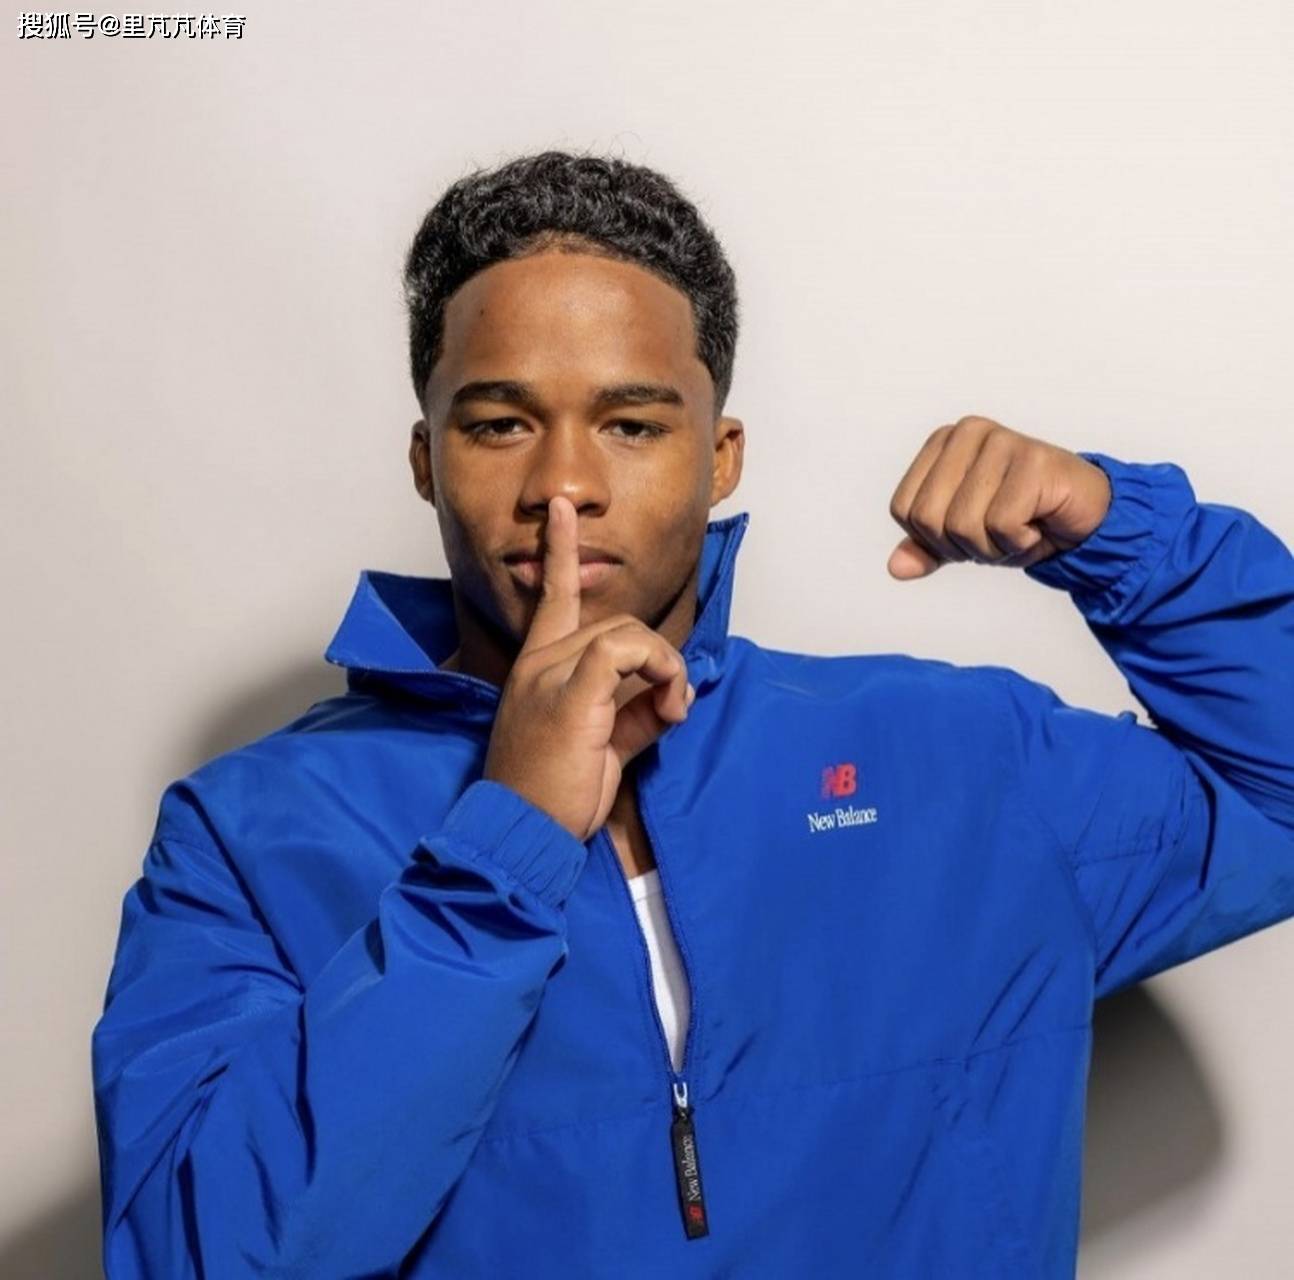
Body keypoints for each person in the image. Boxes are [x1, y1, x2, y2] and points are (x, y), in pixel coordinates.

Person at [90, 149, 1294, 1279]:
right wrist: (506, 833)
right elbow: (194, 1254)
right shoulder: (248, 831)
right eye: (500, 422)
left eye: (631, 423)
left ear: (719, 457)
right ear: (426, 457)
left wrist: (1123, 537)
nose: (563, 484)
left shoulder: (952, 754)